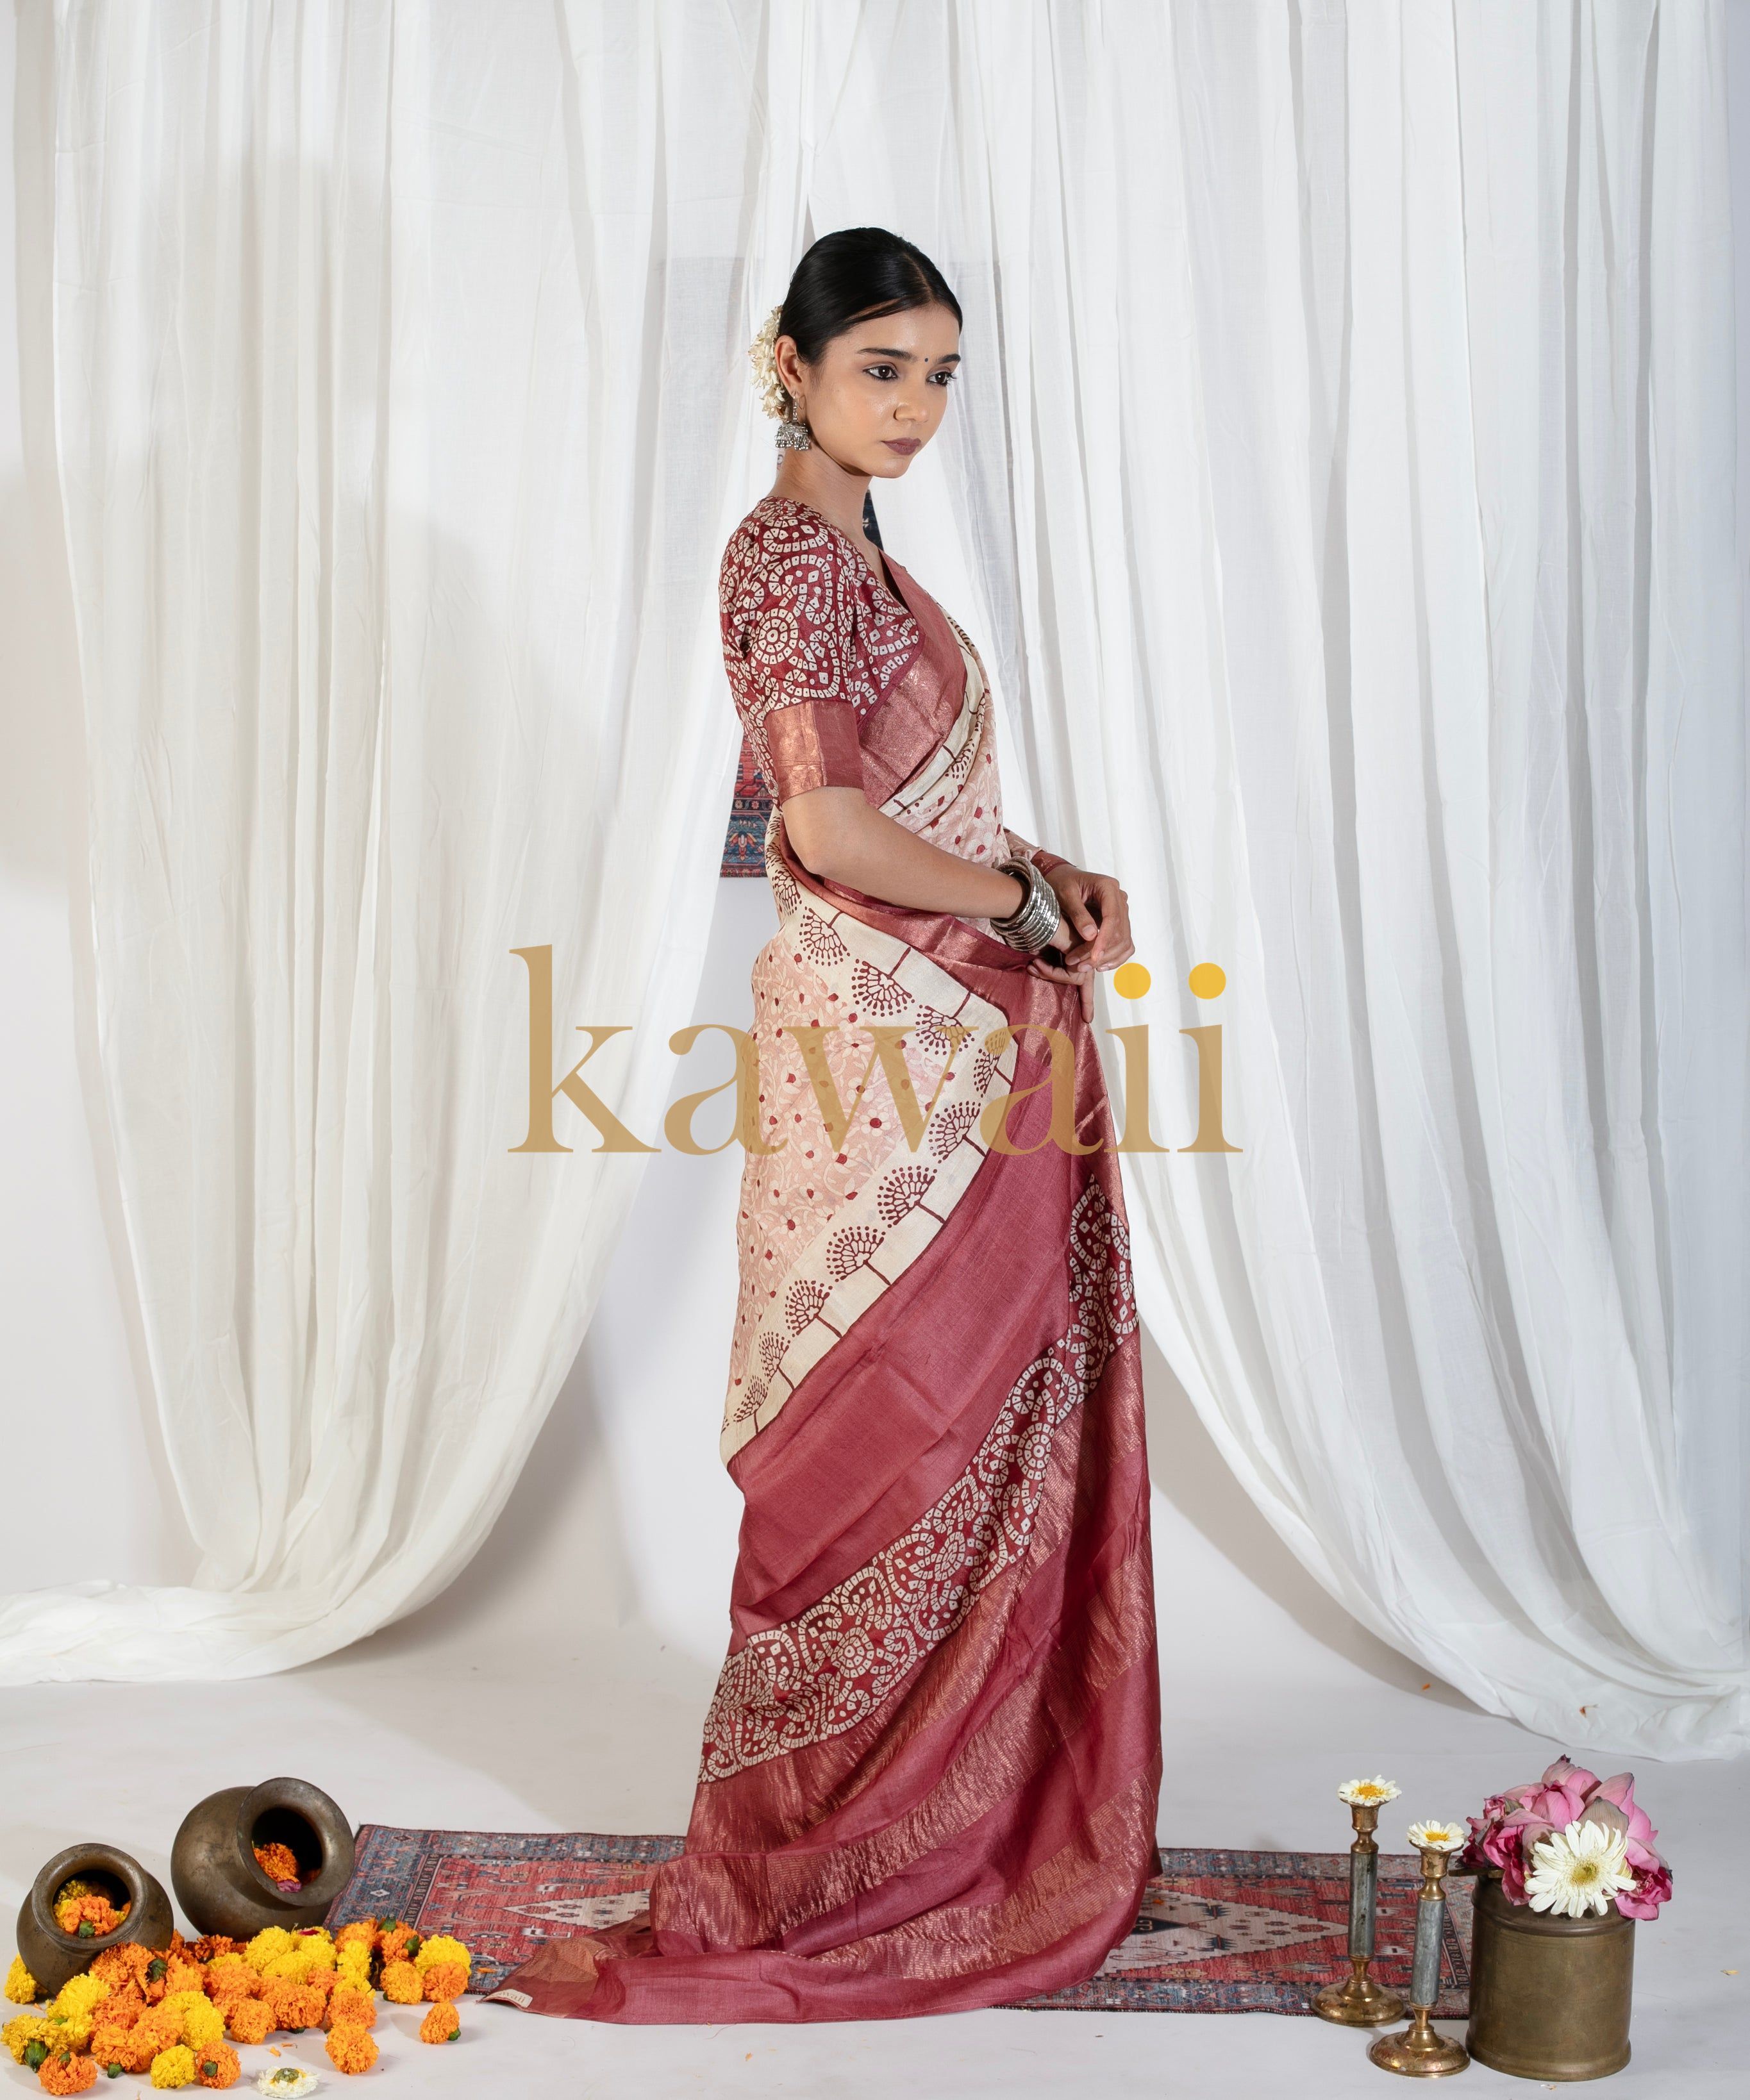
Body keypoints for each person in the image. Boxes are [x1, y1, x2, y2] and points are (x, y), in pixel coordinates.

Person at [490, 226, 1161, 2023]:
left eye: (941, 373)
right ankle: (817, 1846)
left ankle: (940, 1818)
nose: (915, 407)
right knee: (865, 1431)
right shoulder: (784, 553)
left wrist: (1043, 868)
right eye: (881, 368)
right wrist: (1016, 910)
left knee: (967, 1421)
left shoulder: (869, 553)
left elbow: (915, 815)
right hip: (879, 1063)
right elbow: (831, 833)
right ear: (782, 363)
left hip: (956, 1046)